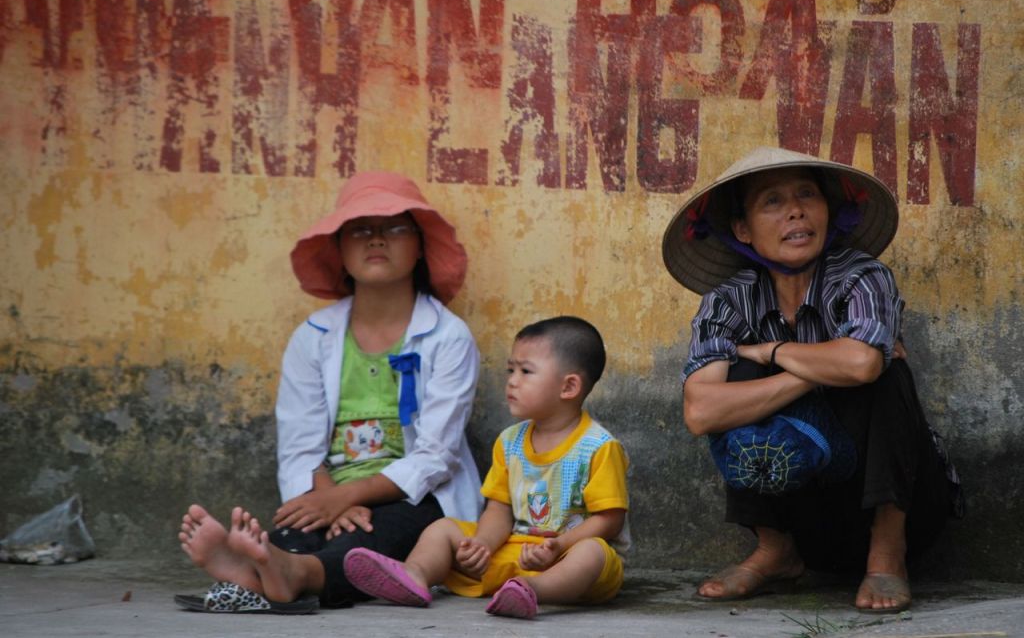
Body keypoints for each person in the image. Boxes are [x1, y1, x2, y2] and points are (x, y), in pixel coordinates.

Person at [661, 147, 957, 613]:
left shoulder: (864, 276)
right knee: (740, 374)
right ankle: (776, 550)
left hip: (899, 504)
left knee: (888, 375)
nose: (795, 209)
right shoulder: (727, 301)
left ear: (826, 211)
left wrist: (776, 352)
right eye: (772, 202)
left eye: (806, 195)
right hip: (806, 516)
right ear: (743, 230)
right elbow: (701, 411)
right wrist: (820, 369)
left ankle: (886, 555)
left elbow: (864, 368)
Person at [177, 171, 483, 611]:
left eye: (395, 228)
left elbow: (435, 456)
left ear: (419, 247)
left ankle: (290, 574)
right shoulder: (313, 336)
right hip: (326, 492)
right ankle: (272, 566)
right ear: (339, 250)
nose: (376, 239)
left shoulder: (448, 336)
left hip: (415, 496)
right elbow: (300, 442)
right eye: (360, 230)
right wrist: (328, 497)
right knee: (293, 533)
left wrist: (347, 497)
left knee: (373, 540)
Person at [339, 316, 629, 620]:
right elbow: (499, 508)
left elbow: (609, 519)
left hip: (570, 559)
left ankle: (533, 591)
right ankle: (415, 574)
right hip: (517, 551)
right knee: (445, 529)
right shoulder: (510, 442)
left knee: (592, 552)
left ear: (569, 386)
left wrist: (559, 546)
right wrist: (482, 544)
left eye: (526, 371)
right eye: (510, 370)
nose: (512, 381)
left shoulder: (597, 446)